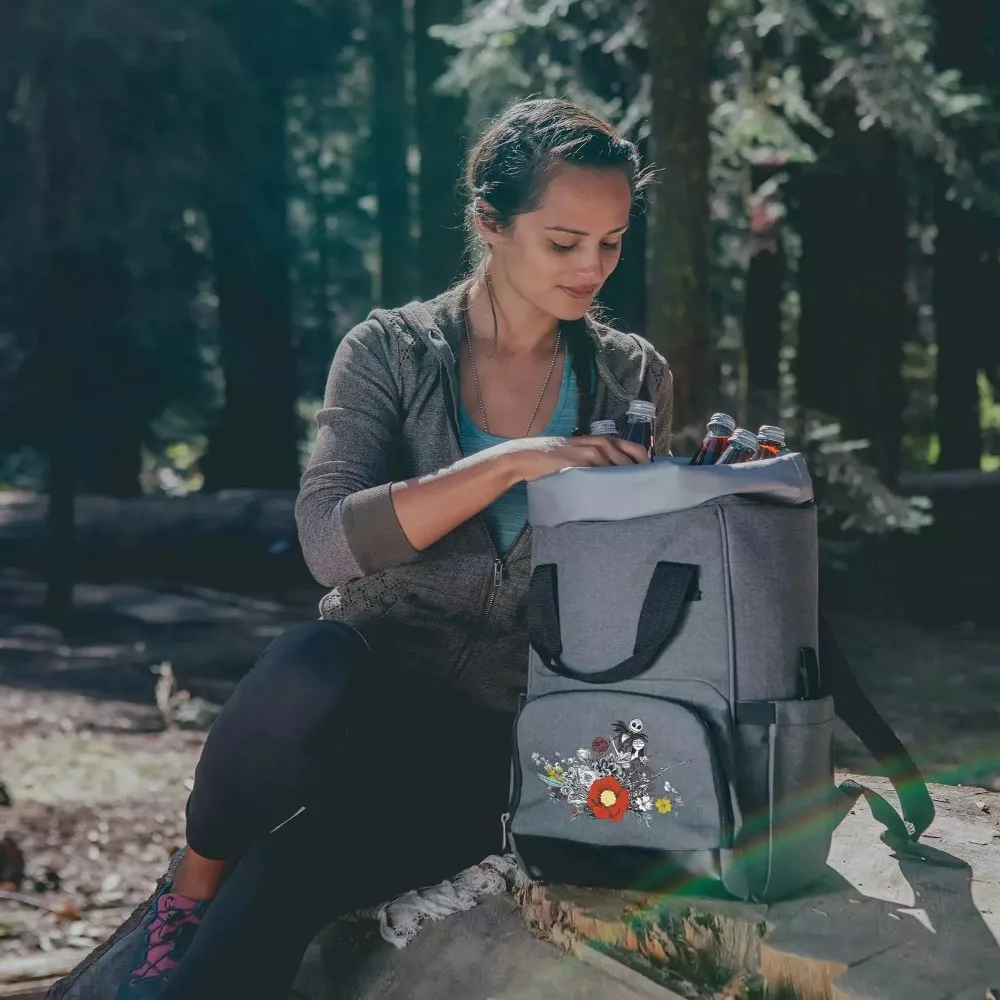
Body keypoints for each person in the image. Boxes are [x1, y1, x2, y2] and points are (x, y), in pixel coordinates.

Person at [112, 96, 673, 1000]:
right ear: (490, 222)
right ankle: (187, 892)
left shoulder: (629, 376)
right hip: (356, 700)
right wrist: (516, 462)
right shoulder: (390, 351)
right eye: (564, 240)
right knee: (309, 661)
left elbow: (627, 586)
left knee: (285, 883)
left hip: (491, 742)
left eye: (609, 243)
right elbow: (330, 543)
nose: (591, 268)